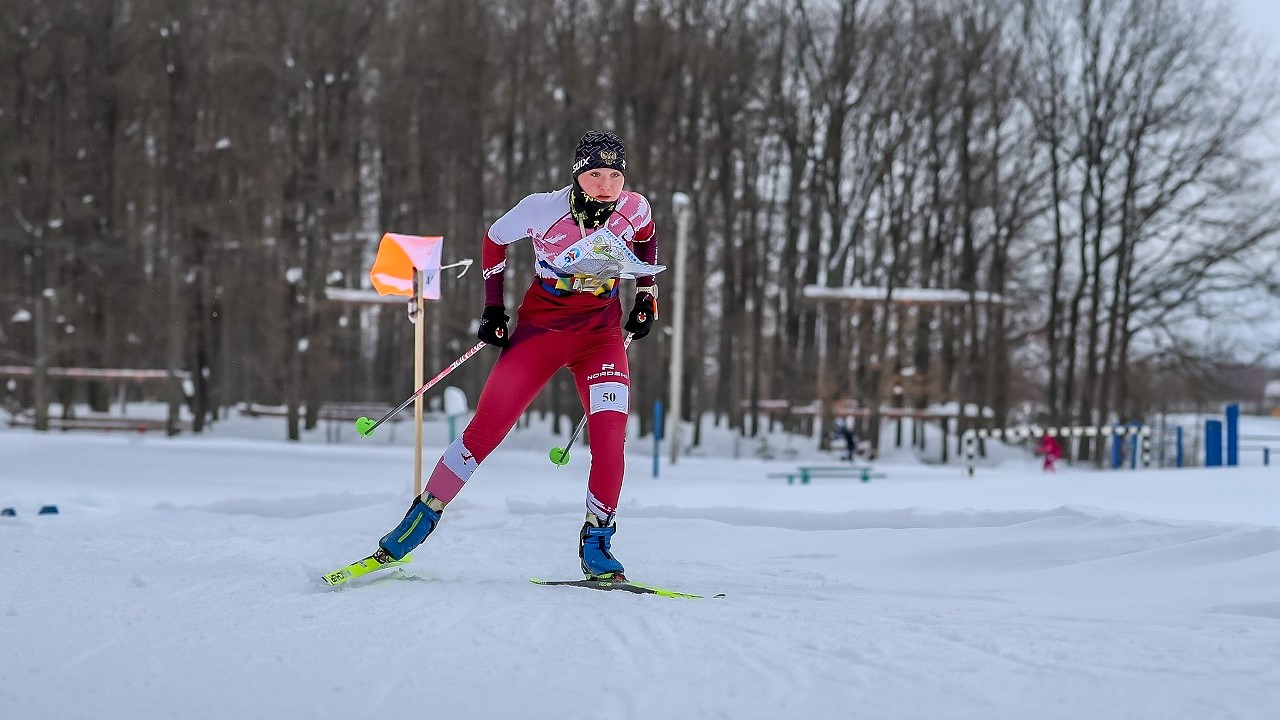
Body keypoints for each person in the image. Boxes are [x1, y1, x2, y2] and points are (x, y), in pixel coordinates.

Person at [374, 131, 658, 581]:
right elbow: (493, 240)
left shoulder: (635, 207)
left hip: (600, 336)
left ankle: (598, 541)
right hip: (542, 331)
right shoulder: (540, 209)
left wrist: (646, 294)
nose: (606, 184)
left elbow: (646, 239)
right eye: (595, 174)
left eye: (615, 175)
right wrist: (492, 306)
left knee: (610, 436)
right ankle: (419, 521)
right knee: (486, 429)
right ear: (577, 174)